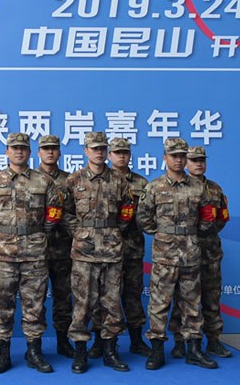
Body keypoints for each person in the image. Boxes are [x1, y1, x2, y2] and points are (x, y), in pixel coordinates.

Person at [0, 132, 63, 374]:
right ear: (7, 152)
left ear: (29, 152)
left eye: (23, 148)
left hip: (34, 253)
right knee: (1, 304)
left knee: (34, 305)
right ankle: (2, 353)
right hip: (2, 254)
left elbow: (54, 213)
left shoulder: (44, 181)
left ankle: (34, 352)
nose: (19, 152)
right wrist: (5, 234)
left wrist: (34, 233)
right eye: (14, 148)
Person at [137, 138, 218, 370]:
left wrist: (191, 234)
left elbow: (208, 216)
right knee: (159, 303)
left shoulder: (198, 187)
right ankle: (157, 351)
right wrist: (164, 234)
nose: (179, 159)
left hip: (191, 253)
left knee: (192, 302)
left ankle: (194, 350)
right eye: (174, 155)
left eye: (182, 155)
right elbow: (143, 217)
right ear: (165, 158)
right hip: (164, 254)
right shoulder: (154, 187)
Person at [62, 132, 133, 374]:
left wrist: (111, 230)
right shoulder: (73, 180)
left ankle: (110, 351)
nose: (99, 152)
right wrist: (82, 231)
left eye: (103, 148)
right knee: (83, 302)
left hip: (111, 249)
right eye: (94, 148)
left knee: (111, 302)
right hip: (84, 251)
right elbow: (65, 213)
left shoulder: (119, 180)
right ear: (86, 151)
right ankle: (81, 352)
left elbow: (127, 211)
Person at [87, 138, 151, 358]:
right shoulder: (100, 179)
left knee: (132, 294)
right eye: (117, 152)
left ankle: (136, 340)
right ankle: (99, 341)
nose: (121, 156)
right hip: (103, 248)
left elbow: (147, 214)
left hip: (131, 247)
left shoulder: (142, 183)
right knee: (101, 296)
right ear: (109, 155)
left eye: (125, 152)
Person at [168, 146, 231, 358]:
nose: (198, 164)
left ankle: (213, 340)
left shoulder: (215, 189)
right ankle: (179, 341)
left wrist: (206, 231)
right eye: (194, 160)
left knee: (212, 296)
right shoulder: (179, 186)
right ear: (185, 162)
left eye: (202, 160)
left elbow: (222, 217)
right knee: (182, 297)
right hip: (184, 251)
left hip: (209, 251)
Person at [35, 135, 75, 358]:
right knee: (35, 300)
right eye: (45, 149)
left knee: (64, 298)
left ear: (60, 152)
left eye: (54, 149)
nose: (50, 152)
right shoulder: (29, 179)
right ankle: (36, 346)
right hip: (35, 251)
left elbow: (75, 213)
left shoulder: (70, 180)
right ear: (38, 152)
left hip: (63, 248)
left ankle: (63, 341)